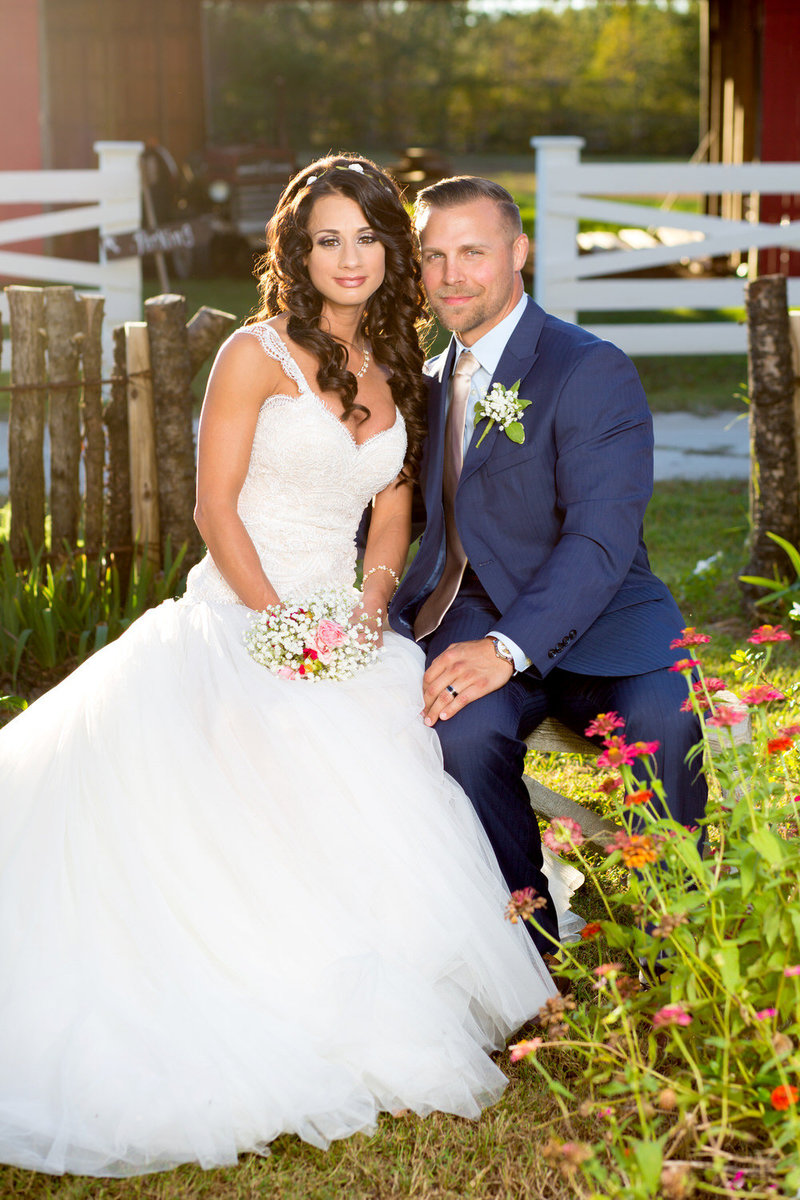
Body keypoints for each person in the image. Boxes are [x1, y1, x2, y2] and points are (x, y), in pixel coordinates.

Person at [0, 157, 581, 1179]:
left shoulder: (398, 360)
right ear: (297, 252)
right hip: (239, 611)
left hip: (342, 619)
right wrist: (277, 627)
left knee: (401, 746)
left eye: (367, 237)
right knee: (264, 766)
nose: (349, 258)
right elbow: (215, 507)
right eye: (327, 239)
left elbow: (393, 509)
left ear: (391, 252)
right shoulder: (252, 354)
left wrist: (364, 608)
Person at [390, 176, 708, 950]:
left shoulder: (588, 368)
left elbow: (600, 541)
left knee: (666, 720)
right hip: (469, 618)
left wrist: (506, 649)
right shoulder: (424, 386)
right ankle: (525, 941)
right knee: (461, 735)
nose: (452, 275)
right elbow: (412, 521)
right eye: (434, 256)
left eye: (473, 251)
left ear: (519, 253)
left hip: (605, 619)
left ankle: (679, 938)